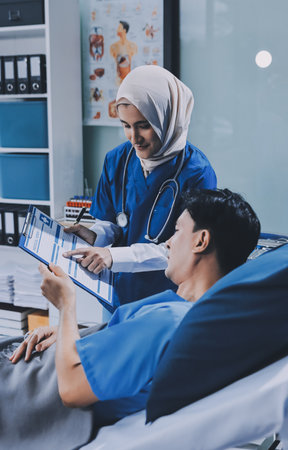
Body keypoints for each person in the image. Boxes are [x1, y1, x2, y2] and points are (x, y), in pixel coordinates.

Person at [4, 188, 260, 449]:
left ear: (200, 241)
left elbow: (71, 389)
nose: (169, 242)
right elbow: (122, 341)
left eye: (178, 230)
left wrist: (66, 306)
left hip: (27, 390)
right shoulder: (193, 315)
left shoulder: (171, 321)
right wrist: (68, 333)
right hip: (44, 362)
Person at [63, 65, 217, 309]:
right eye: (126, 125)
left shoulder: (197, 173)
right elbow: (114, 222)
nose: (133, 137)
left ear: (167, 118)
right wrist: (97, 235)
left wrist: (114, 256)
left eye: (143, 125)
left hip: (167, 300)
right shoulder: (117, 159)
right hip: (119, 294)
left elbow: (185, 249)